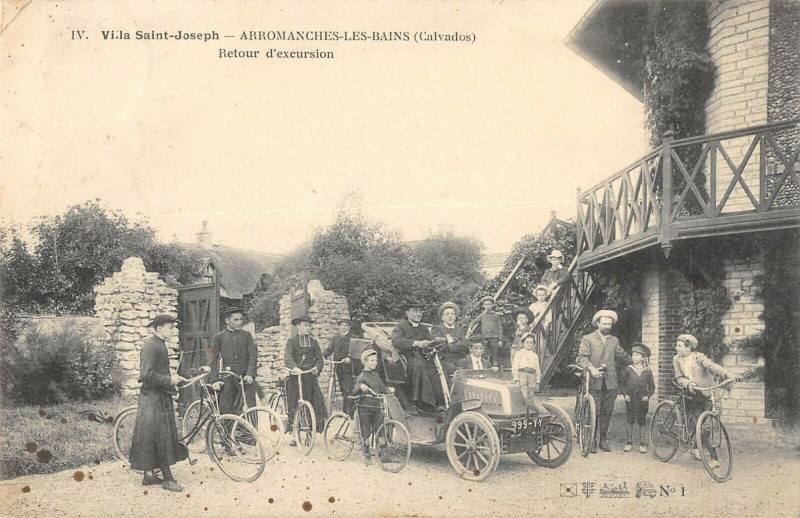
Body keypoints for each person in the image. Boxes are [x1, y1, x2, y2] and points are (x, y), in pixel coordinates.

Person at [128, 314, 188, 492]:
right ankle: (168, 479)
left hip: (158, 395)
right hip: (153, 398)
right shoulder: (151, 345)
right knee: (162, 437)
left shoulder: (159, 344)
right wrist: (170, 380)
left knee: (154, 436)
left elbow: (156, 372)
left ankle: (149, 475)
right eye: (170, 327)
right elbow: (146, 375)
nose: (173, 330)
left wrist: (172, 378)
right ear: (159, 328)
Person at [576, 309, 632, 453]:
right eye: (604, 323)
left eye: (609, 324)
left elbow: (621, 355)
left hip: (610, 382)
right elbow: (581, 358)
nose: (607, 326)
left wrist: (636, 362)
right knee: (595, 410)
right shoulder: (588, 339)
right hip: (594, 381)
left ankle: (603, 439)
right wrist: (591, 369)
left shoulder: (614, 340)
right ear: (597, 323)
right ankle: (592, 440)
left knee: (607, 411)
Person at [673, 333, 732, 469]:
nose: (676, 348)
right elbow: (679, 377)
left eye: (679, 346)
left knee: (708, 426)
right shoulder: (677, 359)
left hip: (708, 394)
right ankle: (712, 457)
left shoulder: (699, 357)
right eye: (677, 345)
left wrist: (727, 374)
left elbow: (712, 366)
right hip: (693, 395)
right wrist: (688, 384)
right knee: (700, 425)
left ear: (689, 348)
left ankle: (700, 451)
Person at [390, 297, 445, 411]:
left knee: (437, 367)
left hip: (423, 356)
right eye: (415, 311)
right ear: (407, 312)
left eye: (420, 311)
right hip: (407, 358)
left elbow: (430, 340)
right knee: (418, 366)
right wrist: (416, 343)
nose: (419, 314)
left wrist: (436, 340)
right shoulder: (400, 326)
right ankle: (420, 402)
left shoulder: (424, 328)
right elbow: (396, 341)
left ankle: (439, 402)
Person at [284, 315, 328, 440]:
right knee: (294, 403)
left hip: (309, 377)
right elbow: (288, 357)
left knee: (315, 403)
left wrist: (317, 368)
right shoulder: (291, 341)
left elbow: (319, 358)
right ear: (298, 326)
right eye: (305, 325)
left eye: (309, 325)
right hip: (296, 377)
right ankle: (294, 432)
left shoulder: (314, 342)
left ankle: (310, 431)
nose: (308, 328)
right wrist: (294, 367)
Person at [208, 309, 258, 417]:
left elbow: (253, 356)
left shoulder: (247, 335)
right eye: (236, 320)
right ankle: (228, 433)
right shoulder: (219, 337)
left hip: (245, 378)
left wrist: (250, 374)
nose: (240, 322)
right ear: (227, 321)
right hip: (228, 377)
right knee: (226, 409)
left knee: (249, 409)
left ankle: (248, 434)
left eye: (241, 319)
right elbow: (213, 359)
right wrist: (214, 380)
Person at [352, 349, 395, 463]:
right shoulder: (362, 376)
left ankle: (385, 454)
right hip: (365, 407)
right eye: (371, 360)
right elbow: (355, 390)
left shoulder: (376, 375)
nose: (375, 362)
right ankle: (366, 452)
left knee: (380, 429)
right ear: (365, 362)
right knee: (365, 430)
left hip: (376, 406)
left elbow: (382, 388)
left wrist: (388, 389)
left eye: (375, 360)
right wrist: (361, 387)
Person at [619, 343, 655, 453]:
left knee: (642, 420)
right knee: (630, 419)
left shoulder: (647, 372)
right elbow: (622, 384)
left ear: (643, 358)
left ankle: (642, 444)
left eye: (637, 355)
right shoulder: (628, 369)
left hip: (642, 400)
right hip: (631, 399)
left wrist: (647, 396)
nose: (635, 357)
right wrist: (625, 395)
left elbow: (652, 387)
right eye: (633, 354)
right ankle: (628, 443)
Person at [322, 317, 356, 414]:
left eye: (346, 325)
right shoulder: (335, 338)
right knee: (342, 388)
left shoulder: (353, 338)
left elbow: (356, 352)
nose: (344, 327)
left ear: (349, 326)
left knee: (347, 389)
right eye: (342, 325)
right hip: (338, 367)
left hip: (350, 368)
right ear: (339, 326)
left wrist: (349, 358)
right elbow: (329, 349)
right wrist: (323, 355)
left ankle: (348, 413)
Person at [431, 301, 470, 381]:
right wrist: (458, 343)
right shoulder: (437, 329)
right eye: (447, 314)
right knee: (450, 367)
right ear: (442, 317)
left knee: (467, 365)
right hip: (445, 359)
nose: (450, 316)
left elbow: (466, 346)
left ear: (455, 316)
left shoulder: (459, 329)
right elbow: (439, 345)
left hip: (459, 358)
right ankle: (450, 391)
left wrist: (451, 342)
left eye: (452, 314)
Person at [512, 332, 548, 415]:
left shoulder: (534, 355)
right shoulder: (519, 354)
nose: (529, 344)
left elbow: (537, 369)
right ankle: (525, 413)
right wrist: (516, 379)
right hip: (522, 375)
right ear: (523, 343)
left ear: (533, 344)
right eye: (527, 342)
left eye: (531, 343)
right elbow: (515, 367)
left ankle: (534, 412)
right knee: (523, 395)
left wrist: (538, 381)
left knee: (531, 396)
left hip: (532, 376)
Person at [468, 296, 504, 368]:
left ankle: (495, 367)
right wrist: (469, 328)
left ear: (493, 305)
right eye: (486, 304)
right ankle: (486, 367)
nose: (487, 306)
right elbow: (473, 322)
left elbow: (500, 327)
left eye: (489, 304)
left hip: (494, 337)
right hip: (485, 337)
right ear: (483, 305)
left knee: (495, 353)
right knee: (485, 353)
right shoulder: (482, 315)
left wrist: (500, 339)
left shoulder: (496, 315)